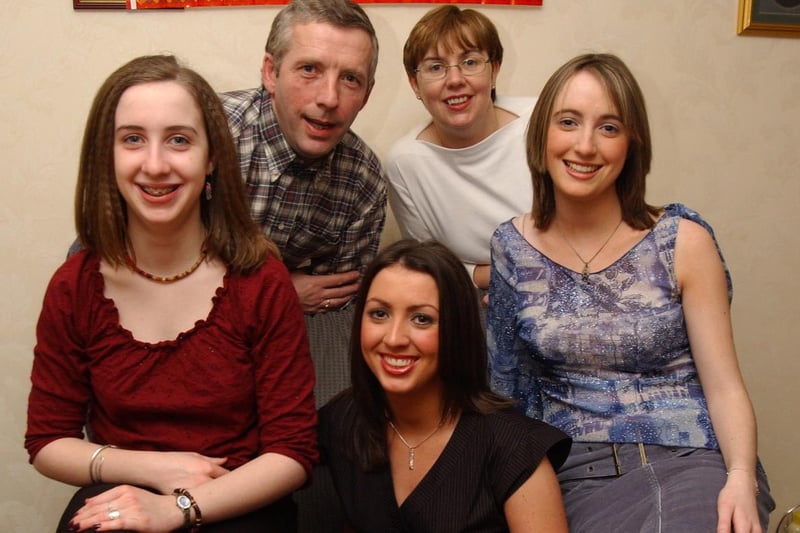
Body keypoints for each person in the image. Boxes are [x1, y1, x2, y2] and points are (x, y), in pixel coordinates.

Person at [25, 55, 317, 533]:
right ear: (107, 156)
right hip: (120, 493)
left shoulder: (260, 281)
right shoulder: (75, 285)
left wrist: (177, 506)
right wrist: (153, 470)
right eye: (133, 139)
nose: (156, 165)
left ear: (212, 158)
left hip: (239, 499)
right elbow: (47, 441)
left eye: (179, 140)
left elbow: (293, 452)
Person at [487, 53, 775, 532]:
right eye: (568, 122)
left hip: (688, 461)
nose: (585, 146)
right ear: (541, 135)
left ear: (631, 145)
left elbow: (724, 386)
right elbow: (504, 394)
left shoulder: (681, 241)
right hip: (572, 475)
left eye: (608, 127)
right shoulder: (511, 249)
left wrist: (741, 478)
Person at [320, 239, 571, 532]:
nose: (394, 338)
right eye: (379, 314)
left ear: (457, 330)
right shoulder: (343, 419)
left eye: (422, 319)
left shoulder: (513, 447)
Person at [220, 0, 387, 408]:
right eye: (309, 69)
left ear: (367, 94)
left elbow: (334, 306)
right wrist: (279, 292)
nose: (329, 98)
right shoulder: (209, 135)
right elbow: (154, 269)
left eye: (350, 79)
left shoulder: (363, 181)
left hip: (282, 339)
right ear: (270, 73)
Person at [385, 5, 534, 295]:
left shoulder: (544, 122)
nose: (454, 80)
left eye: (469, 62)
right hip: (480, 296)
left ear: (494, 70)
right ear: (415, 84)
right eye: (436, 67)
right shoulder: (405, 164)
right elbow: (428, 267)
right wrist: (493, 277)